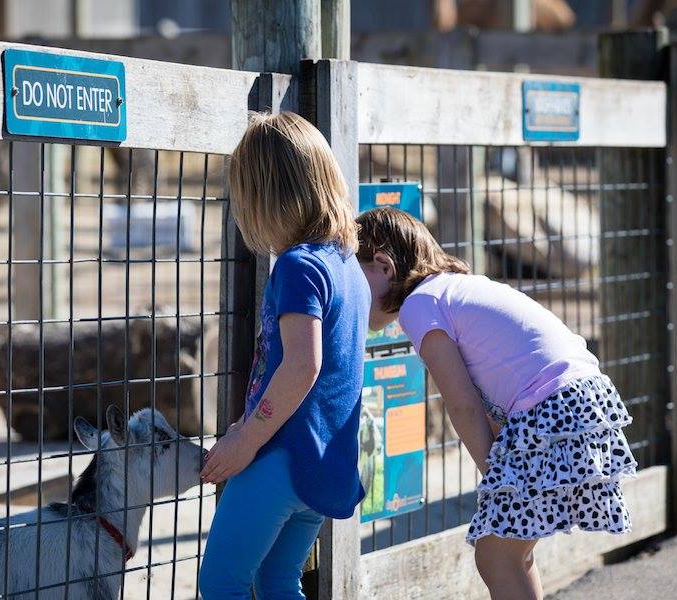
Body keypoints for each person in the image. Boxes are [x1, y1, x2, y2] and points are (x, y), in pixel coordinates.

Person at [355, 207, 636, 600]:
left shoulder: (421, 305)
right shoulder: (453, 287)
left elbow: (463, 405)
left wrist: (494, 475)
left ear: (383, 266)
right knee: (509, 547)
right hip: (583, 399)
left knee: (496, 554)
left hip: (553, 407)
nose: (348, 293)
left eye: (354, 278)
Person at [197, 112, 369, 599]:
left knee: (221, 583)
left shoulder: (297, 265)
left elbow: (302, 364)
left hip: (279, 458)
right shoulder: (347, 267)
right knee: (278, 582)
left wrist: (246, 439)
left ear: (263, 196)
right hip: (323, 466)